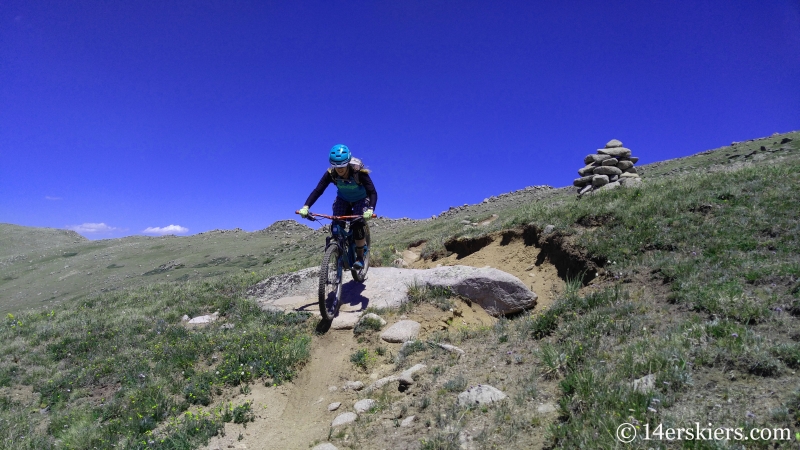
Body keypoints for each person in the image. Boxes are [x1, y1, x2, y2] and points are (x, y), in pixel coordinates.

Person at [299, 144, 377, 269]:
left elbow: (372, 192)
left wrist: (371, 209)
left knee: (357, 224)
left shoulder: (358, 172)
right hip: (343, 199)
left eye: (342, 165)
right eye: (336, 166)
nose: (339, 169)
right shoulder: (331, 174)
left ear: (348, 163)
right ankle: (339, 254)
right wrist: (306, 206)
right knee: (336, 226)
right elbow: (318, 190)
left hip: (361, 199)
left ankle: (360, 258)